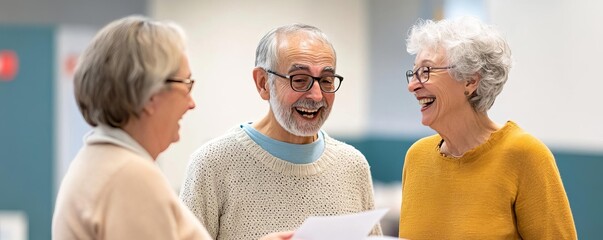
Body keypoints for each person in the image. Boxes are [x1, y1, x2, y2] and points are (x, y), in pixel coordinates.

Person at [52, 15, 292, 240]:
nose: (191, 103)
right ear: (150, 94)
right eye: (186, 84)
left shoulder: (100, 162)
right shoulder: (129, 176)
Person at [179, 23, 382, 240]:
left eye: (325, 80)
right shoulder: (212, 164)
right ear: (263, 83)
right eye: (300, 80)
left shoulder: (353, 165)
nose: (316, 95)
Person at [399, 17, 577, 239]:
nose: (412, 85)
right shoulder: (417, 158)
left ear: (470, 81)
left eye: (426, 71)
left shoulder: (526, 155)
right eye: (413, 73)